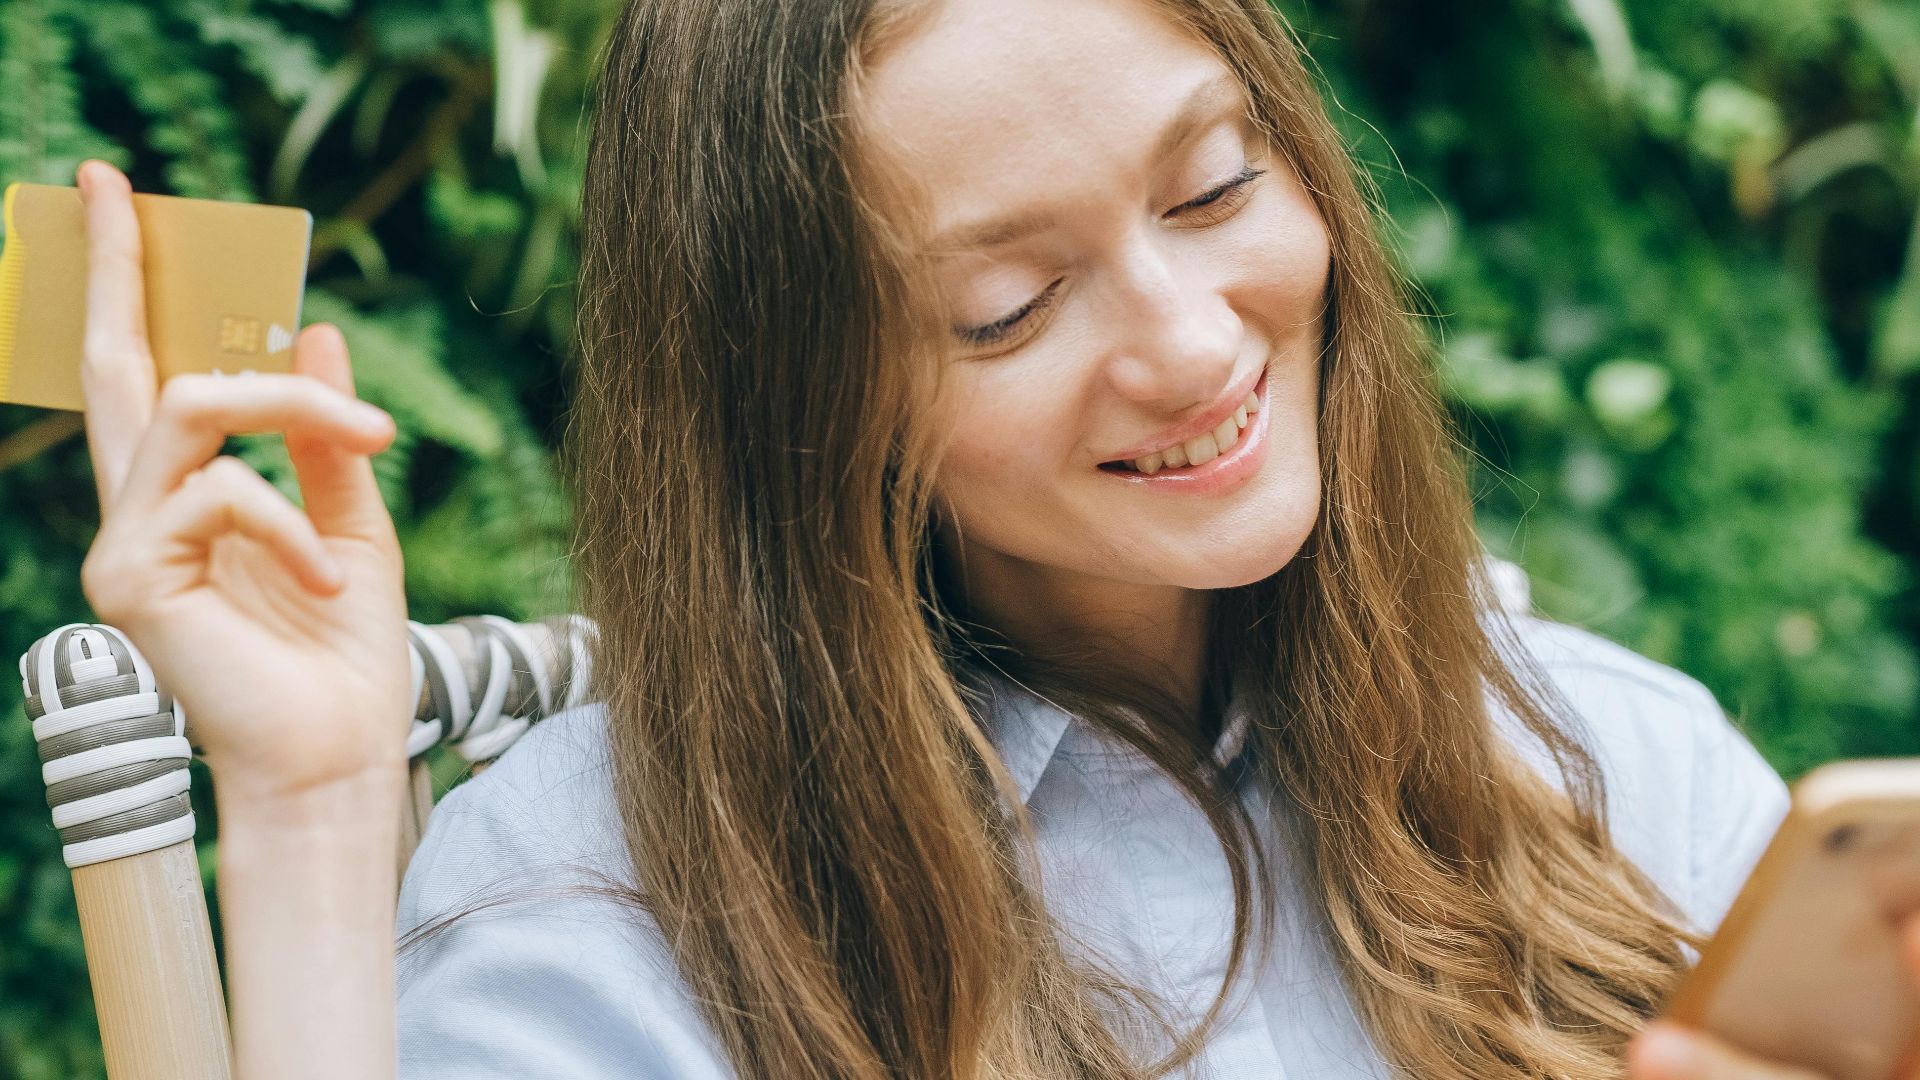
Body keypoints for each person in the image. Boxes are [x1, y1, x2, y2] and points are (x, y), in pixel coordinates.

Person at [66, 0, 1920, 1077]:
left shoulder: (1592, 751)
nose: (1196, 343)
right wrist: (310, 821)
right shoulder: (608, 921)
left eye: (1216, 187)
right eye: (1010, 309)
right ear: (806, 410)